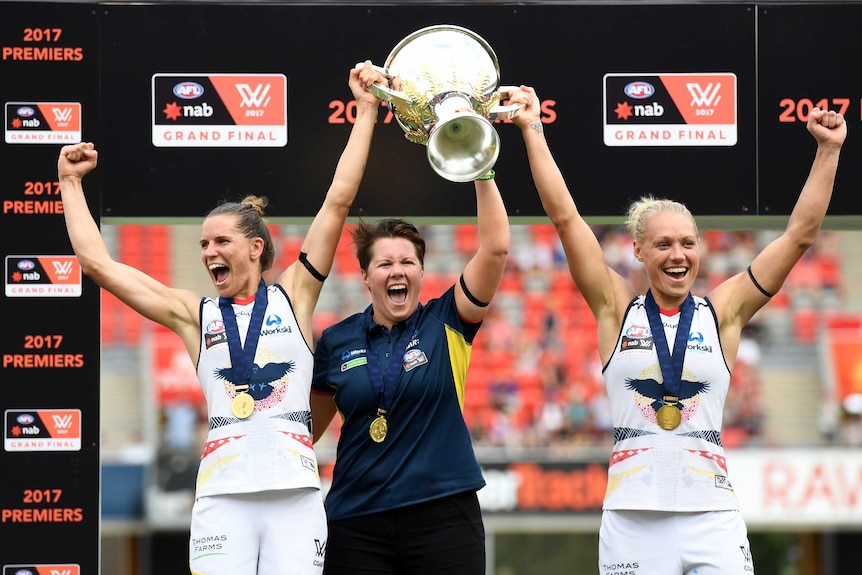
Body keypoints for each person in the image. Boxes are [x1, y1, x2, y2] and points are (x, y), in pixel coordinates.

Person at [58, 62, 385, 575]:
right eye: (204, 243)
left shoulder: (295, 295)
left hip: (294, 495)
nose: (209, 251)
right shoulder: (195, 314)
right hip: (222, 495)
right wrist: (69, 183)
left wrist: (365, 109)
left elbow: (338, 199)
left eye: (221, 241)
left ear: (256, 248)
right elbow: (99, 264)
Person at [510, 85, 845, 574]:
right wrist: (532, 128)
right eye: (663, 244)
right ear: (639, 252)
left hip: (713, 516)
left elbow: (799, 236)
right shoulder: (614, 307)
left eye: (688, 243)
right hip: (631, 518)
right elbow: (565, 218)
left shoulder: (724, 312)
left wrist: (828, 152)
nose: (678, 254)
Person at [309, 173, 510, 574]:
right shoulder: (336, 340)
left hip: (444, 517)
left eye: (407, 262)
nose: (397, 271)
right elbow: (306, 431)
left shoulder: (448, 321)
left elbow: (496, 249)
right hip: (356, 520)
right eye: (384, 263)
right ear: (366, 277)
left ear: (421, 272)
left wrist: (483, 172)